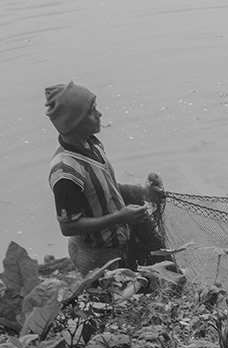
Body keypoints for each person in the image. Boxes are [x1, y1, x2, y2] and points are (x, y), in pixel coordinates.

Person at [45, 81, 166, 274]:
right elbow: (68, 227)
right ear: (75, 123)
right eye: (91, 112)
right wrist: (120, 217)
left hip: (119, 245)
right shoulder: (65, 173)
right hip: (97, 258)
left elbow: (107, 189)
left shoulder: (92, 146)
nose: (99, 115)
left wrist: (145, 193)